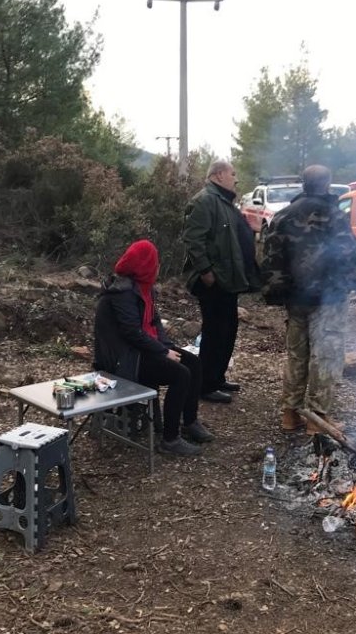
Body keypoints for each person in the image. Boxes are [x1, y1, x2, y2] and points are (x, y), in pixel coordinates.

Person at [261, 165, 356, 432]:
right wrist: (343, 288)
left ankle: (290, 414)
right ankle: (317, 418)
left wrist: (280, 294)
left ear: (303, 184)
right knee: (325, 356)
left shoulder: (282, 216)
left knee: (297, 356)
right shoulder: (334, 216)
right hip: (327, 300)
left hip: (296, 301)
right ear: (327, 184)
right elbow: (349, 256)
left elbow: (270, 260)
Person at [93, 240, 213, 456]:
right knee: (180, 374)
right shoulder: (122, 293)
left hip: (140, 351)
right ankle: (170, 439)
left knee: (193, 362)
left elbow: (154, 322)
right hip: (124, 360)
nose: (158, 267)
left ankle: (190, 421)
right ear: (145, 265)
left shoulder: (144, 288)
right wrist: (163, 352)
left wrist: (165, 346)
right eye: (155, 262)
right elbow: (131, 332)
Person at [182, 161, 260, 403]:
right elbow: (194, 239)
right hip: (214, 281)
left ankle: (217, 377)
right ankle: (205, 385)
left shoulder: (224, 201)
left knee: (228, 330)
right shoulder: (205, 200)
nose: (236, 179)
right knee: (215, 332)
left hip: (229, 280)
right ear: (217, 175)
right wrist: (206, 272)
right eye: (232, 174)